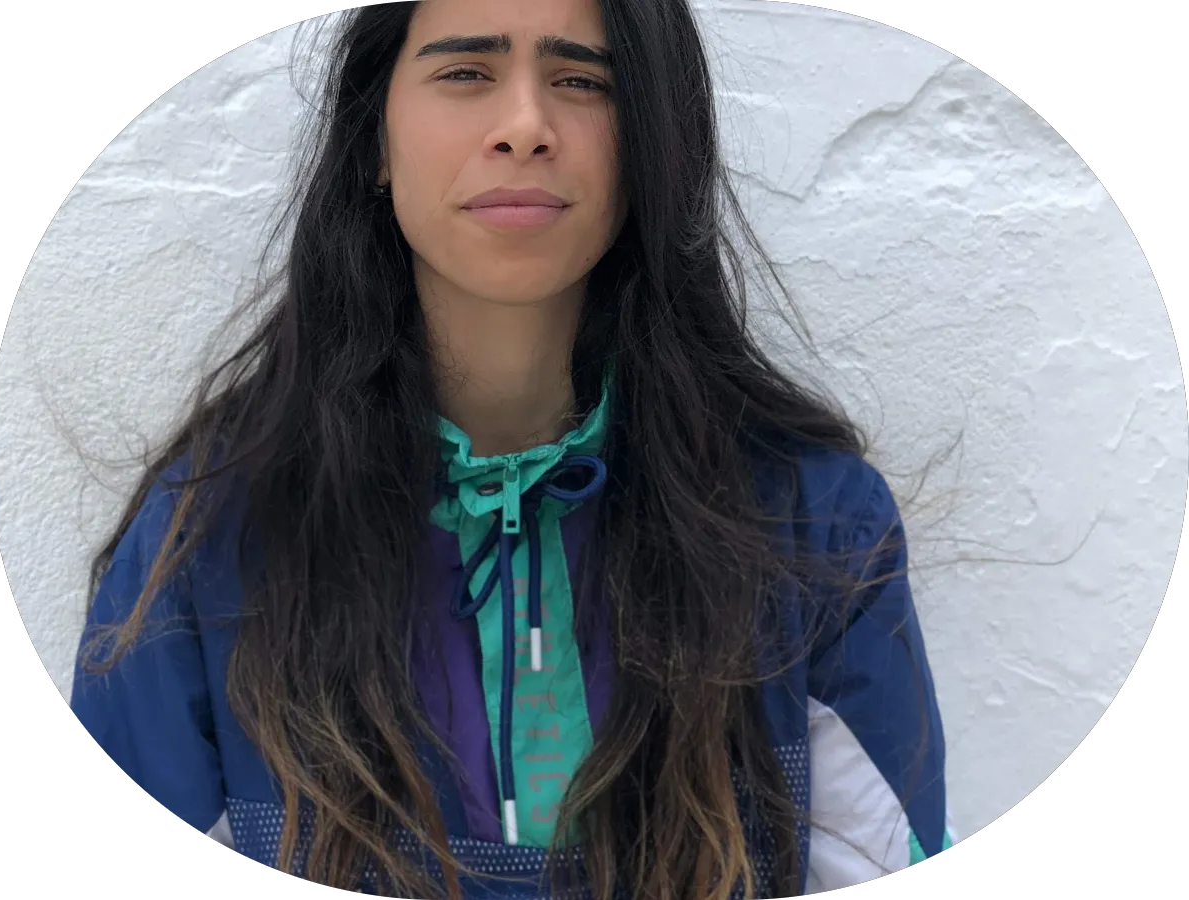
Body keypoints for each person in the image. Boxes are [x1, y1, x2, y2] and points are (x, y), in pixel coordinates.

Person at [70, 1, 954, 897]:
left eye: (583, 80)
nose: (526, 126)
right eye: (466, 72)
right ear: (374, 141)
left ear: (653, 143)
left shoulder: (815, 525)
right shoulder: (205, 539)